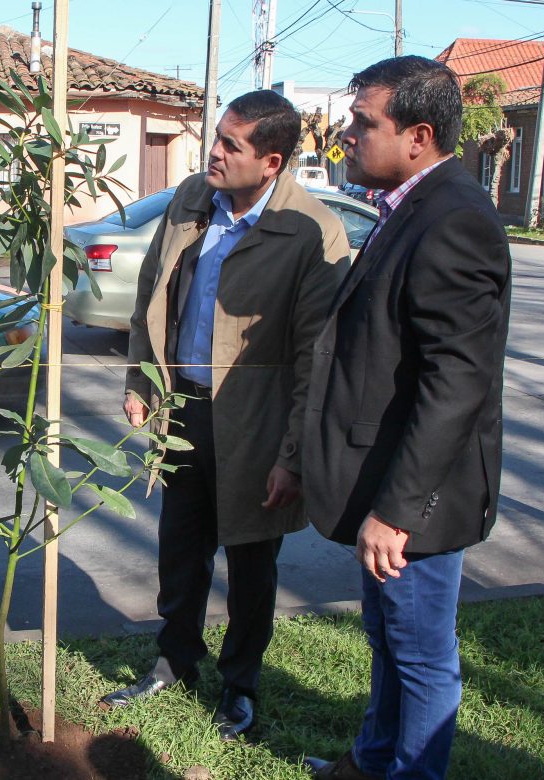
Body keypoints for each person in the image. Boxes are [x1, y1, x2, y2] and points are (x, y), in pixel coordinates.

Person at [103, 89, 350, 740]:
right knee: (179, 553)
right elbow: (149, 298)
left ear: (271, 162)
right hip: (181, 410)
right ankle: (175, 660)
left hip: (258, 426)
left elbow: (314, 357)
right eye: (216, 137)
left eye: (231, 145)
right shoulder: (192, 198)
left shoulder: (312, 232)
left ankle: (240, 685)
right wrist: (141, 378)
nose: (213, 152)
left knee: (250, 565)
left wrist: (292, 455)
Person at [301, 56, 512, 780]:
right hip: (386, 480)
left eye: (364, 123)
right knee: (389, 639)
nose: (347, 135)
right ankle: (371, 761)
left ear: (418, 135)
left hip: (416, 495)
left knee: (421, 655)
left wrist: (397, 511)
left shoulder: (454, 220)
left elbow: (457, 383)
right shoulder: (411, 206)